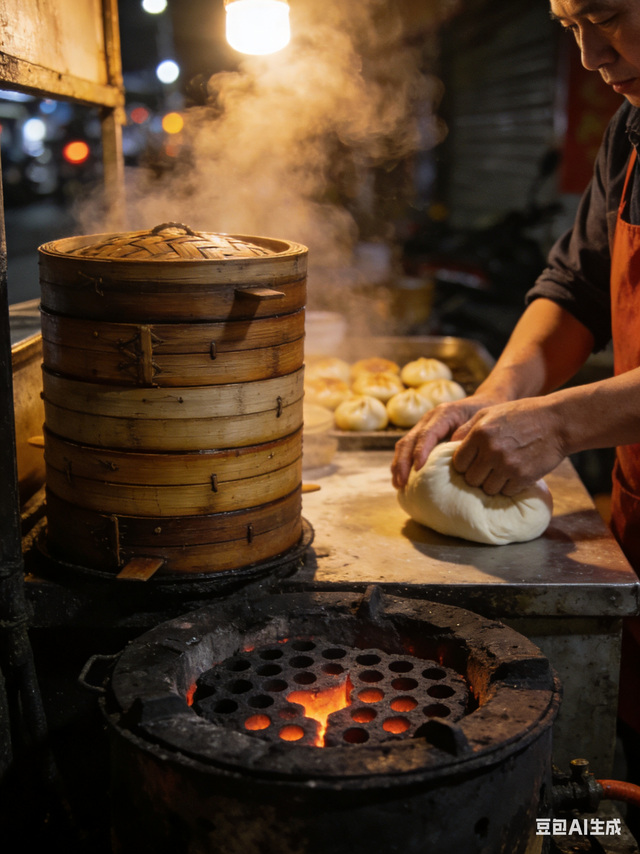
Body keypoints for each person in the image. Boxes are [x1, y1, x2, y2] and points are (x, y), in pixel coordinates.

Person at [391, 0, 640, 736]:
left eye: (610, 15)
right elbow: (578, 287)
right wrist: (494, 396)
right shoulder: (633, 131)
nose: (593, 56)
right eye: (570, 26)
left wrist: (563, 421)